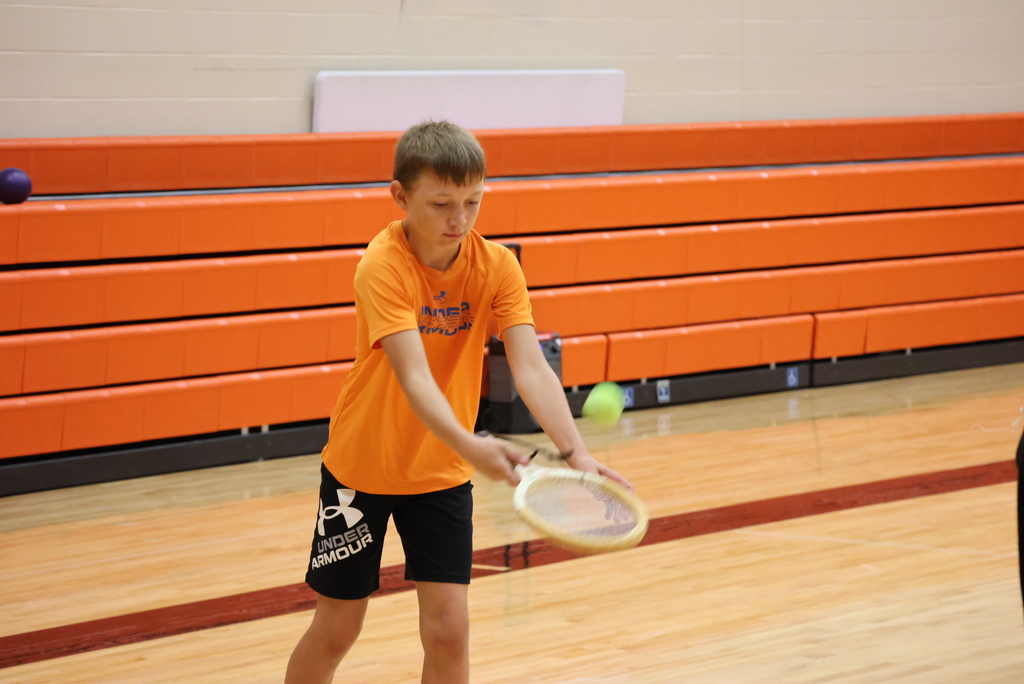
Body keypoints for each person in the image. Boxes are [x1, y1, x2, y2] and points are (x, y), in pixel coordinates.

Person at [284, 120, 630, 684]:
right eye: (442, 203)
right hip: (360, 471)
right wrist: (474, 443)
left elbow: (529, 365)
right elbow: (414, 376)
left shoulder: (497, 266)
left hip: (440, 474)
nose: (460, 220)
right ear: (400, 196)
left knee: (449, 629)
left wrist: (577, 454)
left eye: (473, 201)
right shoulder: (383, 266)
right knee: (339, 626)